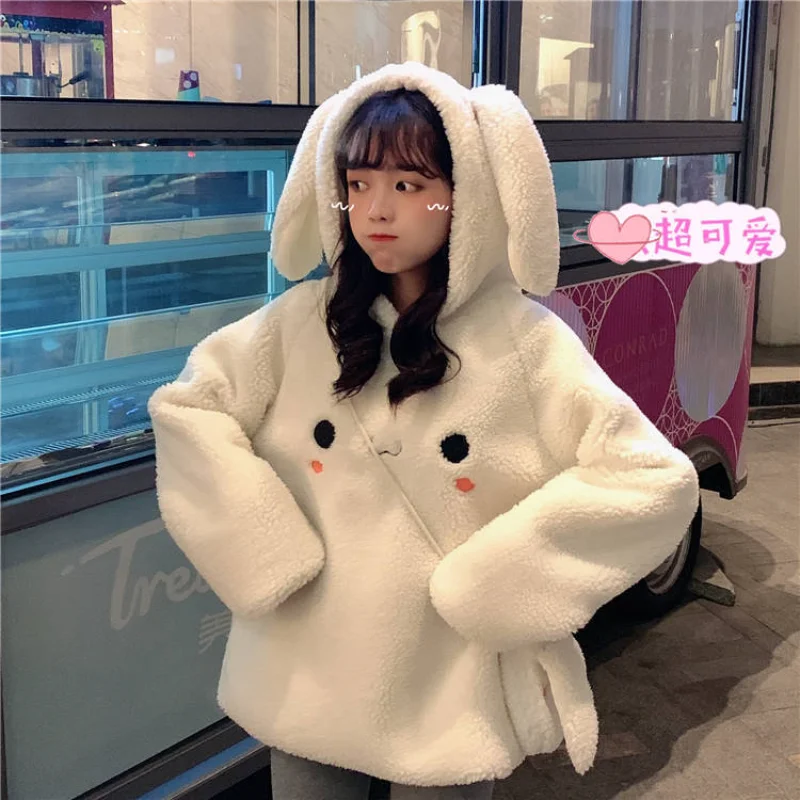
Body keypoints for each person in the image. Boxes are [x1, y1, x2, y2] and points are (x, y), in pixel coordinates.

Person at [147, 62, 700, 799]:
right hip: (309, 667)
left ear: (463, 196)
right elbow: (188, 408)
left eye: (410, 186)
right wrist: (264, 551)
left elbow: (651, 479)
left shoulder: (525, 342)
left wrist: (500, 584)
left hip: (448, 682)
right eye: (358, 183)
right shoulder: (303, 322)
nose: (377, 209)